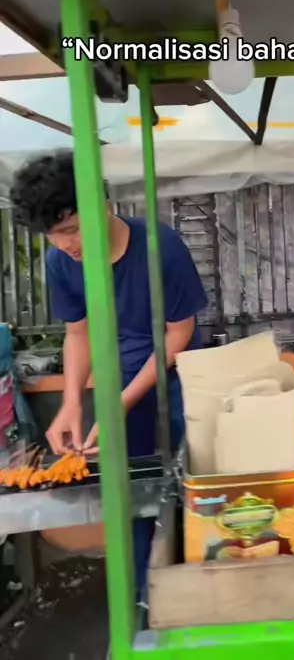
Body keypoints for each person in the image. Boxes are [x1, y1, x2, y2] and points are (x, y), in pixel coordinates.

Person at [9, 150, 207, 599]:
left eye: (71, 230)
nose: (65, 244)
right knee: (128, 486)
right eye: (52, 235)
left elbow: (178, 335)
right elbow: (78, 334)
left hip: (179, 372)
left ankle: (195, 582)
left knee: (190, 476)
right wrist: (72, 403)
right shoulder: (61, 262)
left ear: (102, 204)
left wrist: (121, 402)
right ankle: (142, 592)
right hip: (121, 375)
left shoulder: (161, 246)